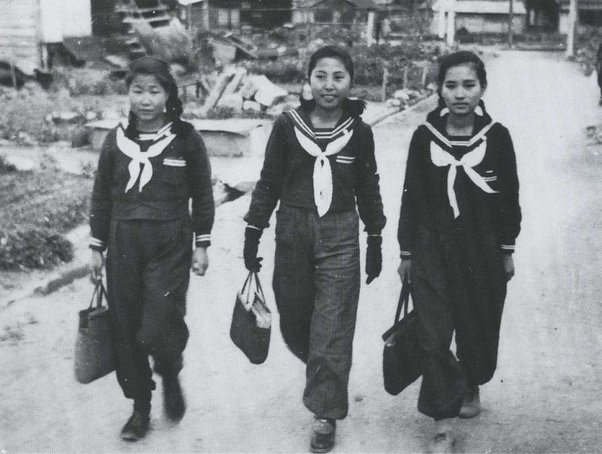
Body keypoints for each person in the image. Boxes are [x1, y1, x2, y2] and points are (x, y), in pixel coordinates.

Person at [243, 45, 386, 453]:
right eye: (320, 76)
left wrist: (375, 237)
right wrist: (253, 231)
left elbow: (368, 187)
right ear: (308, 80)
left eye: (339, 77)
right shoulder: (287, 126)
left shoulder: (360, 132)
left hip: (340, 233)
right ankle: (325, 369)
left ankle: (326, 411)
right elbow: (268, 181)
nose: (329, 85)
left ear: (351, 83)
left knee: (332, 326)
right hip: (293, 230)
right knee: (295, 320)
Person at [397, 51, 521, 453]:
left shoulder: (497, 137)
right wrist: (407, 252)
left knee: (477, 325)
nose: (460, 94)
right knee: (433, 337)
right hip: (432, 249)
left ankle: (470, 380)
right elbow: (411, 197)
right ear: (439, 90)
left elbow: (509, 197)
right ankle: (442, 423)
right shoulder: (424, 137)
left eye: (469, 85)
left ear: (482, 88)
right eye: (451, 85)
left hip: (481, 250)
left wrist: (506, 249)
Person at [89, 56, 214, 441]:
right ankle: (140, 407)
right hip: (124, 242)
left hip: (170, 243)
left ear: (168, 95)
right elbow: (101, 196)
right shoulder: (115, 141)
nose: (145, 100)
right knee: (126, 328)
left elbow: (202, 193)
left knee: (160, 324)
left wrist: (202, 243)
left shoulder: (186, 138)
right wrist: (96, 247)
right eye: (137, 90)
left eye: (154, 91)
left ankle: (169, 371)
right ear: (128, 93)